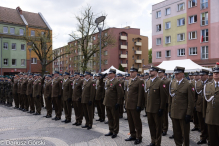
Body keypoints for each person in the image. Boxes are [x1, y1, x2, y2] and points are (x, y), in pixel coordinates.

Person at [169, 66, 194, 146]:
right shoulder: (173, 82)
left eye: (178, 74)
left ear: (182, 74)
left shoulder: (188, 84)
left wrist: (188, 114)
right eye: (175, 74)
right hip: (174, 112)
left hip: (183, 113)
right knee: (176, 133)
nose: (176, 75)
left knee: (185, 133)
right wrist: (170, 110)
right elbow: (171, 98)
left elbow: (191, 101)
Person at [145, 66, 166, 146]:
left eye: (152, 71)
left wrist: (161, 108)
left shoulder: (160, 82)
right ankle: (153, 141)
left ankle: (157, 143)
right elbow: (147, 96)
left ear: (156, 72)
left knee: (158, 127)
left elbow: (163, 97)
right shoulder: (148, 82)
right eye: (150, 70)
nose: (150, 72)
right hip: (149, 108)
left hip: (157, 109)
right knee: (151, 126)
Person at [125, 67, 144, 145]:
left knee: (137, 122)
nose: (131, 73)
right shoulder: (130, 80)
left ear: (136, 72)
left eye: (133, 72)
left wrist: (139, 105)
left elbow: (140, 94)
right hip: (129, 104)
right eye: (130, 72)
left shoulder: (140, 81)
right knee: (130, 122)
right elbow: (128, 93)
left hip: (135, 105)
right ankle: (133, 135)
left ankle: (139, 137)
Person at [104, 69, 123, 138]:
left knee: (115, 118)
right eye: (108, 74)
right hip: (107, 102)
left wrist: (118, 103)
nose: (108, 75)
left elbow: (120, 93)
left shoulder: (117, 82)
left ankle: (115, 131)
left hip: (113, 103)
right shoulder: (108, 81)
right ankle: (111, 130)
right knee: (110, 117)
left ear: (114, 74)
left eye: (110, 73)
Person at [203, 63, 219, 146]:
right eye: (214, 72)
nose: (215, 74)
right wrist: (204, 115)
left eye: (218, 72)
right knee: (212, 140)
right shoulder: (207, 86)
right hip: (211, 117)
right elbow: (204, 103)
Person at [196, 69, 210, 145]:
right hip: (199, 106)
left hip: (207, 108)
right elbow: (195, 95)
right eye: (200, 75)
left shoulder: (210, 83)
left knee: (208, 124)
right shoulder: (198, 83)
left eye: (202, 75)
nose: (201, 76)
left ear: (207, 76)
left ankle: (210, 139)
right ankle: (203, 138)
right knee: (201, 124)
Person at [158, 68, 170, 136]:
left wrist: (167, 102)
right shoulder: (157, 80)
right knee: (159, 116)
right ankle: (161, 128)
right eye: (158, 73)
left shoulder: (167, 81)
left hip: (164, 101)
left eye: (160, 73)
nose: (159, 74)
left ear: (163, 73)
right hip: (158, 101)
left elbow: (167, 92)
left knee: (164, 116)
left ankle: (165, 129)